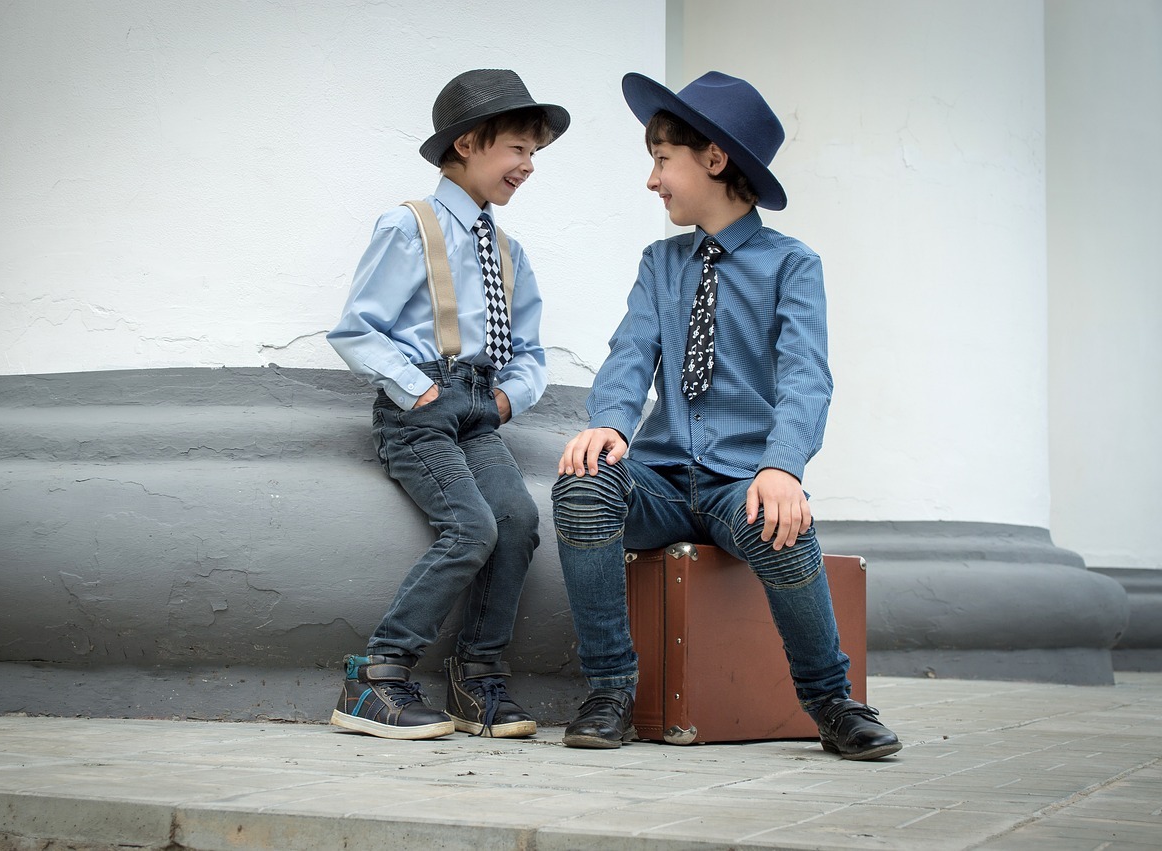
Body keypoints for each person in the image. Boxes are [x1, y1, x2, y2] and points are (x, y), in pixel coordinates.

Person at [551, 71, 901, 760]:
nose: (652, 180)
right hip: (658, 481)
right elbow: (631, 353)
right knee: (583, 483)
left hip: (740, 481)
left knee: (782, 524)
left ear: (714, 158)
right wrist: (610, 424)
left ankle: (832, 703)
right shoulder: (660, 263)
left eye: (662, 160)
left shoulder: (792, 264)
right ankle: (611, 692)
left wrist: (783, 468)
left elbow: (806, 378)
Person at [326, 69, 568, 740]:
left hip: (478, 410)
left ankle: (476, 677)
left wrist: (504, 402)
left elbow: (531, 352)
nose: (528, 165)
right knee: (471, 528)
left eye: (533, 153)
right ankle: (375, 676)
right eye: (517, 148)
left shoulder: (508, 253)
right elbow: (356, 329)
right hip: (419, 413)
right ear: (467, 144)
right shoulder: (411, 227)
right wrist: (421, 390)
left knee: (517, 520)